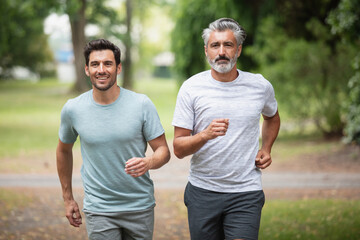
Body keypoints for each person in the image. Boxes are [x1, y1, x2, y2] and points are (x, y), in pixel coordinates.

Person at [172, 18, 280, 240]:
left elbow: (272, 117)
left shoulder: (259, 86)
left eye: (228, 45)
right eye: (215, 45)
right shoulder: (191, 88)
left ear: (238, 49)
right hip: (203, 191)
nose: (221, 51)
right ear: (206, 51)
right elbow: (179, 148)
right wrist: (205, 135)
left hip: (245, 191)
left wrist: (267, 148)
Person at [56, 38, 170, 240]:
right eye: (95, 64)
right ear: (86, 69)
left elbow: (163, 150)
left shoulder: (141, 104)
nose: (101, 69)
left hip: (139, 207)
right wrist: (68, 199)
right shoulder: (73, 109)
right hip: (99, 208)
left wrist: (149, 162)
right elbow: (63, 151)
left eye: (107, 63)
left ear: (118, 68)